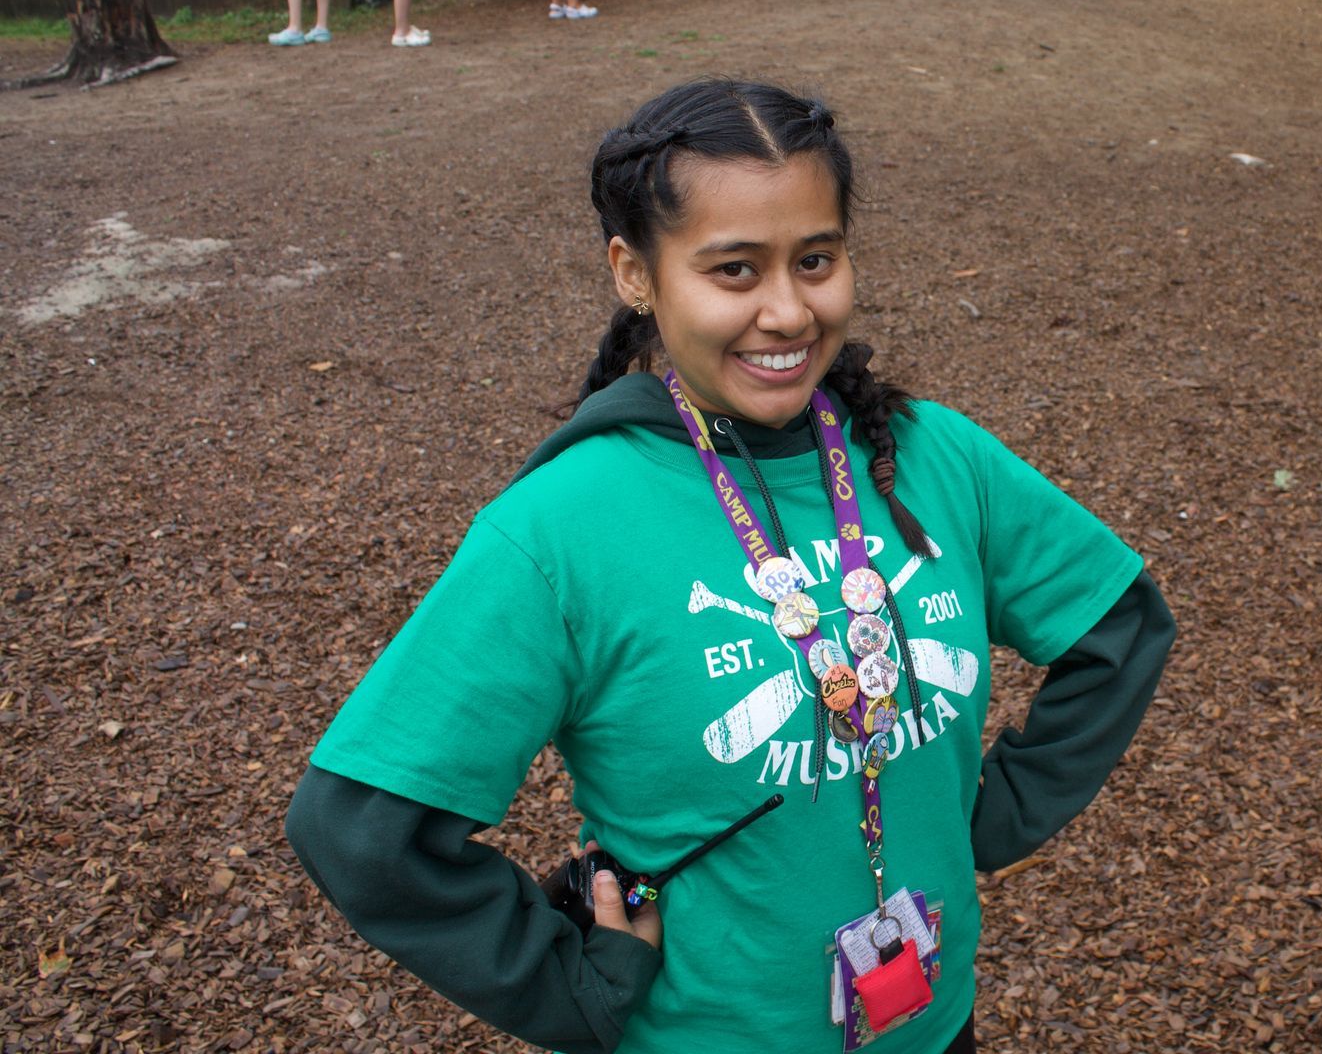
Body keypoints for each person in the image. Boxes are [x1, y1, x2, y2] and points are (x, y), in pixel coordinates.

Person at [285, 78, 1176, 1054]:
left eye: (817, 259)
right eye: (735, 270)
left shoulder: (932, 458)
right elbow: (361, 826)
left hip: (931, 1024)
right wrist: (569, 984)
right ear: (636, 273)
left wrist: (988, 818)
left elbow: (1118, 622)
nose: (789, 310)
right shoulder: (562, 527)